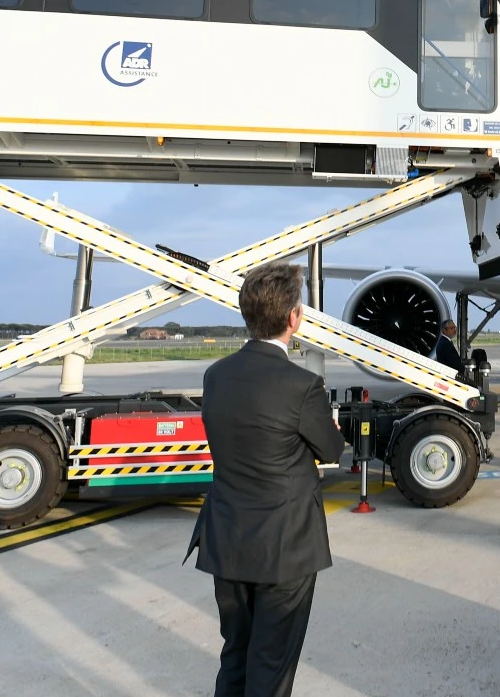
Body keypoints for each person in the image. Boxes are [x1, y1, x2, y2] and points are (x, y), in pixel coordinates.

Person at [186, 263, 347, 697]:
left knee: (235, 655)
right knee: (271, 666)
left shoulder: (215, 375)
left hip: (228, 540)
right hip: (284, 547)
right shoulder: (302, 385)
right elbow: (332, 452)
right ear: (294, 317)